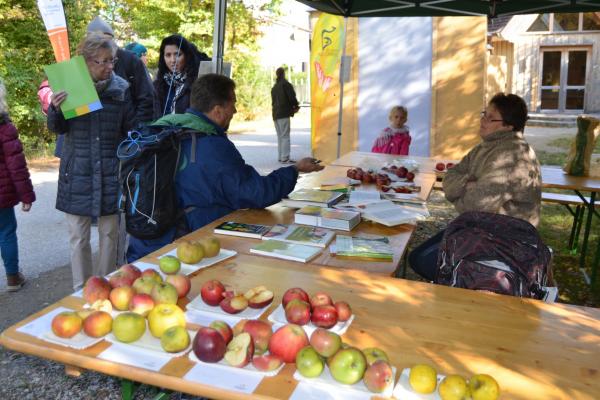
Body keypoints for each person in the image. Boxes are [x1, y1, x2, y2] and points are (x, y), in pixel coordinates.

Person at [127, 73, 323, 261]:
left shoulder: (168, 129)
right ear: (217, 110)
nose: (235, 111)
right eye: (233, 104)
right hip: (184, 248)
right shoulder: (212, 146)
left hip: (144, 245)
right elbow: (255, 193)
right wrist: (294, 169)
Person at [408, 93, 542, 281]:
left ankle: (469, 294)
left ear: (508, 125)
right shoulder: (486, 146)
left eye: (490, 117)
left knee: (424, 261)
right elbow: (450, 178)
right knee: (417, 257)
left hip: (505, 241)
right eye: (483, 114)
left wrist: (464, 189)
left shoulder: (509, 155)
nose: (482, 121)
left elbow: (475, 206)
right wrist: (467, 184)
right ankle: (458, 288)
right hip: (478, 228)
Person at [47, 32, 136, 290]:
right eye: (104, 61)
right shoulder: (71, 89)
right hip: (77, 173)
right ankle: (80, 291)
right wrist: (55, 108)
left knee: (110, 235)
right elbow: (58, 128)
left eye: (112, 60)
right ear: (86, 62)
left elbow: (129, 129)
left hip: (110, 173)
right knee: (78, 237)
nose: (110, 66)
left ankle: (106, 288)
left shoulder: (120, 90)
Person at [0, 79, 35, 291]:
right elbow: (16, 167)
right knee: (6, 232)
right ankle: (13, 277)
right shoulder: (5, 128)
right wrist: (26, 196)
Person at [87, 16, 155, 124]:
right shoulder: (83, 64)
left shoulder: (130, 60)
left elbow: (147, 96)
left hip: (127, 131)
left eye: (106, 41)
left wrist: (138, 128)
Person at [154, 34, 208, 116]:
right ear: (163, 57)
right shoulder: (158, 83)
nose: (173, 60)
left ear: (187, 55)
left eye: (178, 55)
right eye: (168, 55)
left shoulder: (198, 83)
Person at [271, 67, 300, 163]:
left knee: (280, 136)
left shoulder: (274, 87)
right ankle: (285, 158)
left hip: (275, 114)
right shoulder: (285, 84)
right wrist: (296, 106)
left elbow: (273, 102)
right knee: (285, 136)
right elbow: (292, 97)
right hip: (283, 113)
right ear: (283, 74)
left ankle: (280, 157)